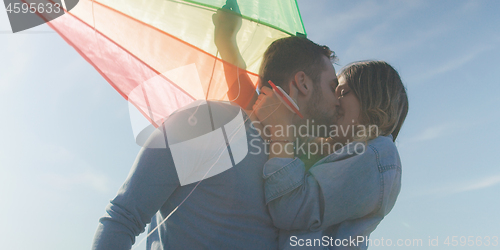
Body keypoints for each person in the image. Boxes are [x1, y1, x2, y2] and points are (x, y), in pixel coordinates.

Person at [91, 15, 341, 250]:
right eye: (333, 87)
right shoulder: (206, 121)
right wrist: (227, 41)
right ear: (303, 83)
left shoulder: (299, 164)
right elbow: (123, 217)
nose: (338, 100)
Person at [253, 60, 409, 249]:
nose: (335, 101)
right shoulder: (335, 150)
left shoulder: (379, 155)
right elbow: (265, 120)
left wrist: (281, 132)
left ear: (372, 99)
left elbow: (290, 208)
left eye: (343, 92)